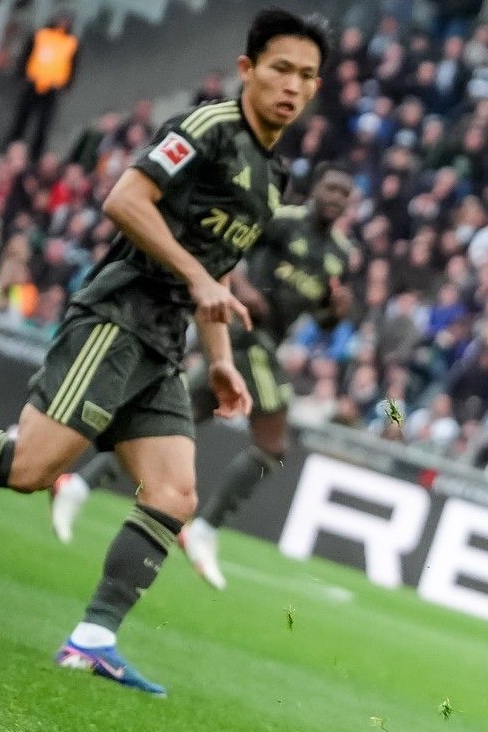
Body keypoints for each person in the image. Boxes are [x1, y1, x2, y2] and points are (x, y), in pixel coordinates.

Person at [0, 8, 328, 695]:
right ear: (247, 70)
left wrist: (224, 357)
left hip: (166, 341)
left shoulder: (275, 176)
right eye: (281, 69)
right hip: (117, 318)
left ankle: (93, 639)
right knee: (28, 469)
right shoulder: (210, 127)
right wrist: (199, 278)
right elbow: (125, 199)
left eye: (307, 76)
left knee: (175, 492)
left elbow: (217, 268)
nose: (293, 86)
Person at [54, 164, 358, 589]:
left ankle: (79, 486)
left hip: (269, 341)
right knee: (273, 443)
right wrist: (242, 287)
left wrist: (333, 312)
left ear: (351, 205)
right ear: (316, 190)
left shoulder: (339, 254)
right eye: (331, 188)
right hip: (242, 333)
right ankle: (205, 528)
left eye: (345, 194)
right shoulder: (282, 221)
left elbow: (322, 316)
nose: (336, 198)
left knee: (169, 427)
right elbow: (232, 249)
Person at [7, 13, 78, 160]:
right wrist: (21, 73)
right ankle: (12, 145)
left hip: (52, 87)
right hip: (34, 81)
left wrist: (66, 84)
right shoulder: (41, 35)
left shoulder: (71, 42)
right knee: (22, 117)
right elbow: (27, 53)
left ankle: (34, 154)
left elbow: (73, 64)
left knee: (43, 123)